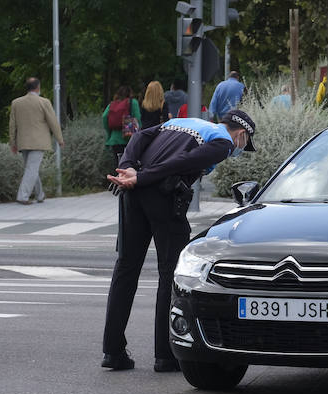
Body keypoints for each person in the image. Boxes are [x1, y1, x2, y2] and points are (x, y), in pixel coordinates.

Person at [100, 109, 257, 372]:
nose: (240, 148)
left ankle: (112, 351)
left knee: (125, 269)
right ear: (241, 134)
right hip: (163, 198)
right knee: (169, 273)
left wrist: (127, 168)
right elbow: (183, 162)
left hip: (133, 194)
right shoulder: (223, 143)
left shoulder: (180, 122)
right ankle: (165, 355)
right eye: (244, 143)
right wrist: (142, 177)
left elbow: (138, 138)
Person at [8, 77, 63, 205]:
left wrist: (13, 142)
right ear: (38, 87)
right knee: (32, 169)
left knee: (30, 168)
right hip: (39, 142)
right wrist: (59, 139)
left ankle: (40, 195)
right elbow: (53, 122)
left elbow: (12, 124)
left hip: (23, 142)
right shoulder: (44, 102)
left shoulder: (16, 102)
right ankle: (23, 196)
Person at [101, 86, 142, 165]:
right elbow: (138, 119)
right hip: (129, 138)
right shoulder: (133, 102)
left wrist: (110, 133)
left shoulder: (112, 104)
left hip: (115, 139)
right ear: (130, 94)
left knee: (119, 164)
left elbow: (104, 116)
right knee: (130, 165)